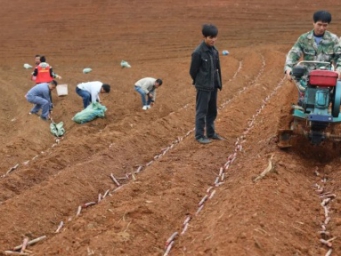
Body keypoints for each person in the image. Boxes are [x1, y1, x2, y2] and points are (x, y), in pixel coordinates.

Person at [189, 24, 223, 144]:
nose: (213, 40)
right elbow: (193, 71)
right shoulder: (198, 52)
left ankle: (211, 133)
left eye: (215, 37)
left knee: (212, 110)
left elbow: (217, 68)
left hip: (213, 85)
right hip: (203, 86)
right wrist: (200, 81)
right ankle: (199, 135)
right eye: (210, 37)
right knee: (202, 111)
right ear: (204, 37)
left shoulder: (214, 51)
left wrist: (217, 83)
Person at [284, 10, 341, 81]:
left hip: (326, 78)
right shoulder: (304, 39)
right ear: (313, 23)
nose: (321, 28)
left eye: (325, 25)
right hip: (307, 79)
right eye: (319, 24)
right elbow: (293, 54)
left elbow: (339, 57)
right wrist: (288, 69)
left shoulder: (333, 39)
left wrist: (339, 70)